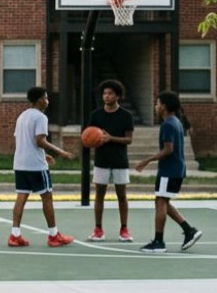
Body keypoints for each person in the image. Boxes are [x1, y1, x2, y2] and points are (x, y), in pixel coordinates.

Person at [134, 91, 203, 253]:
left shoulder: (168, 124)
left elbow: (168, 150)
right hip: (176, 170)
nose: (155, 107)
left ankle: (159, 242)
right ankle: (189, 230)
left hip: (169, 170)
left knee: (160, 202)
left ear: (164, 107)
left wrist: (146, 161)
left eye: (157, 104)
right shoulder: (175, 122)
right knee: (162, 201)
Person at [7, 87, 75, 248]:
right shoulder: (40, 117)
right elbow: (39, 140)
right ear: (39, 100)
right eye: (46, 98)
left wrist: (43, 154)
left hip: (21, 163)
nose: (47, 101)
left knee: (21, 197)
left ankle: (15, 235)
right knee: (47, 197)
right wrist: (61, 152)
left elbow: (24, 140)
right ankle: (53, 235)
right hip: (36, 166)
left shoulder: (22, 116)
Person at [87, 79, 135, 242]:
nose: (106, 96)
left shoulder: (126, 115)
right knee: (99, 195)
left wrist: (110, 138)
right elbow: (89, 136)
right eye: (104, 93)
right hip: (102, 160)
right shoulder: (96, 115)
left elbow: (129, 140)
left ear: (118, 96)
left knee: (122, 195)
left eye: (110, 94)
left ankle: (124, 229)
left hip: (120, 161)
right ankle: (98, 229)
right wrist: (92, 140)